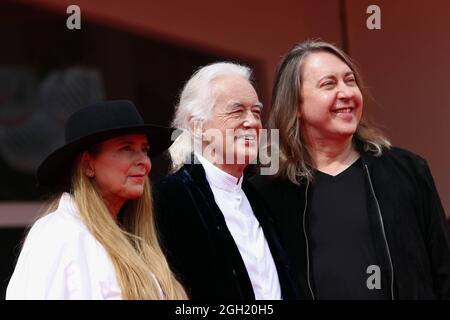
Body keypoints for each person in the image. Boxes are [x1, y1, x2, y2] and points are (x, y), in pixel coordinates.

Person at [250, 40, 450, 299]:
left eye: (350, 81)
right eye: (328, 84)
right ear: (295, 105)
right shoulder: (266, 192)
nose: (346, 93)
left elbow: (444, 271)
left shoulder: (407, 171)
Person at [6, 100, 187, 300]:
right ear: (88, 165)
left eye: (144, 149)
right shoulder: (57, 233)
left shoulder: (133, 236)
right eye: (126, 148)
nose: (144, 162)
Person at [153, 62, 300, 299]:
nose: (252, 122)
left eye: (256, 112)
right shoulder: (170, 199)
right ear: (197, 126)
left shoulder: (259, 198)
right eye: (237, 111)